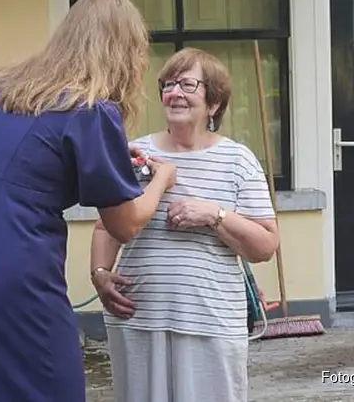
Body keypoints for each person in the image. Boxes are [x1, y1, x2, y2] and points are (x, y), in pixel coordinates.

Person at [0, 0, 177, 402]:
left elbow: (25, 165)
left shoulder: (2, 91)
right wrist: (163, 177)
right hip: (21, 282)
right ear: (125, 51)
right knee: (50, 387)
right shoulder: (92, 110)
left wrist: (104, 157)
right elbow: (124, 224)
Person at [90, 47, 280, 402]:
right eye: (168, 84)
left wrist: (214, 215)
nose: (174, 92)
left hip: (212, 321)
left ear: (214, 104)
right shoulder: (135, 154)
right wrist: (99, 274)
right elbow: (105, 227)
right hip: (139, 318)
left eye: (188, 84)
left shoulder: (238, 161)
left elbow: (266, 245)